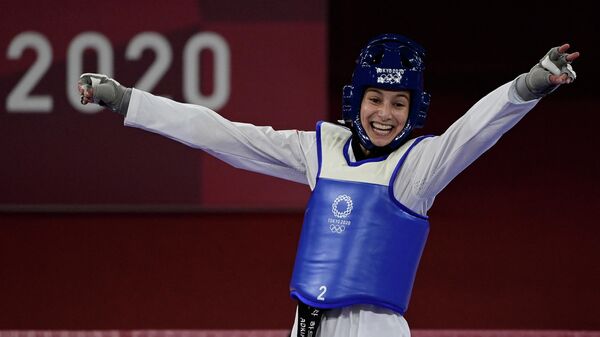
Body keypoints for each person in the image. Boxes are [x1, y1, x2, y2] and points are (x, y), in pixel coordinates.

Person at [78, 34, 580, 337]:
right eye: (375, 99)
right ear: (356, 98)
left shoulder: (419, 165)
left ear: (414, 110)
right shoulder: (320, 150)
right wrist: (130, 102)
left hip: (373, 329)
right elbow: (224, 135)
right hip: (306, 324)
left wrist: (526, 86)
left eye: (398, 103)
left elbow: (474, 129)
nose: (384, 114)